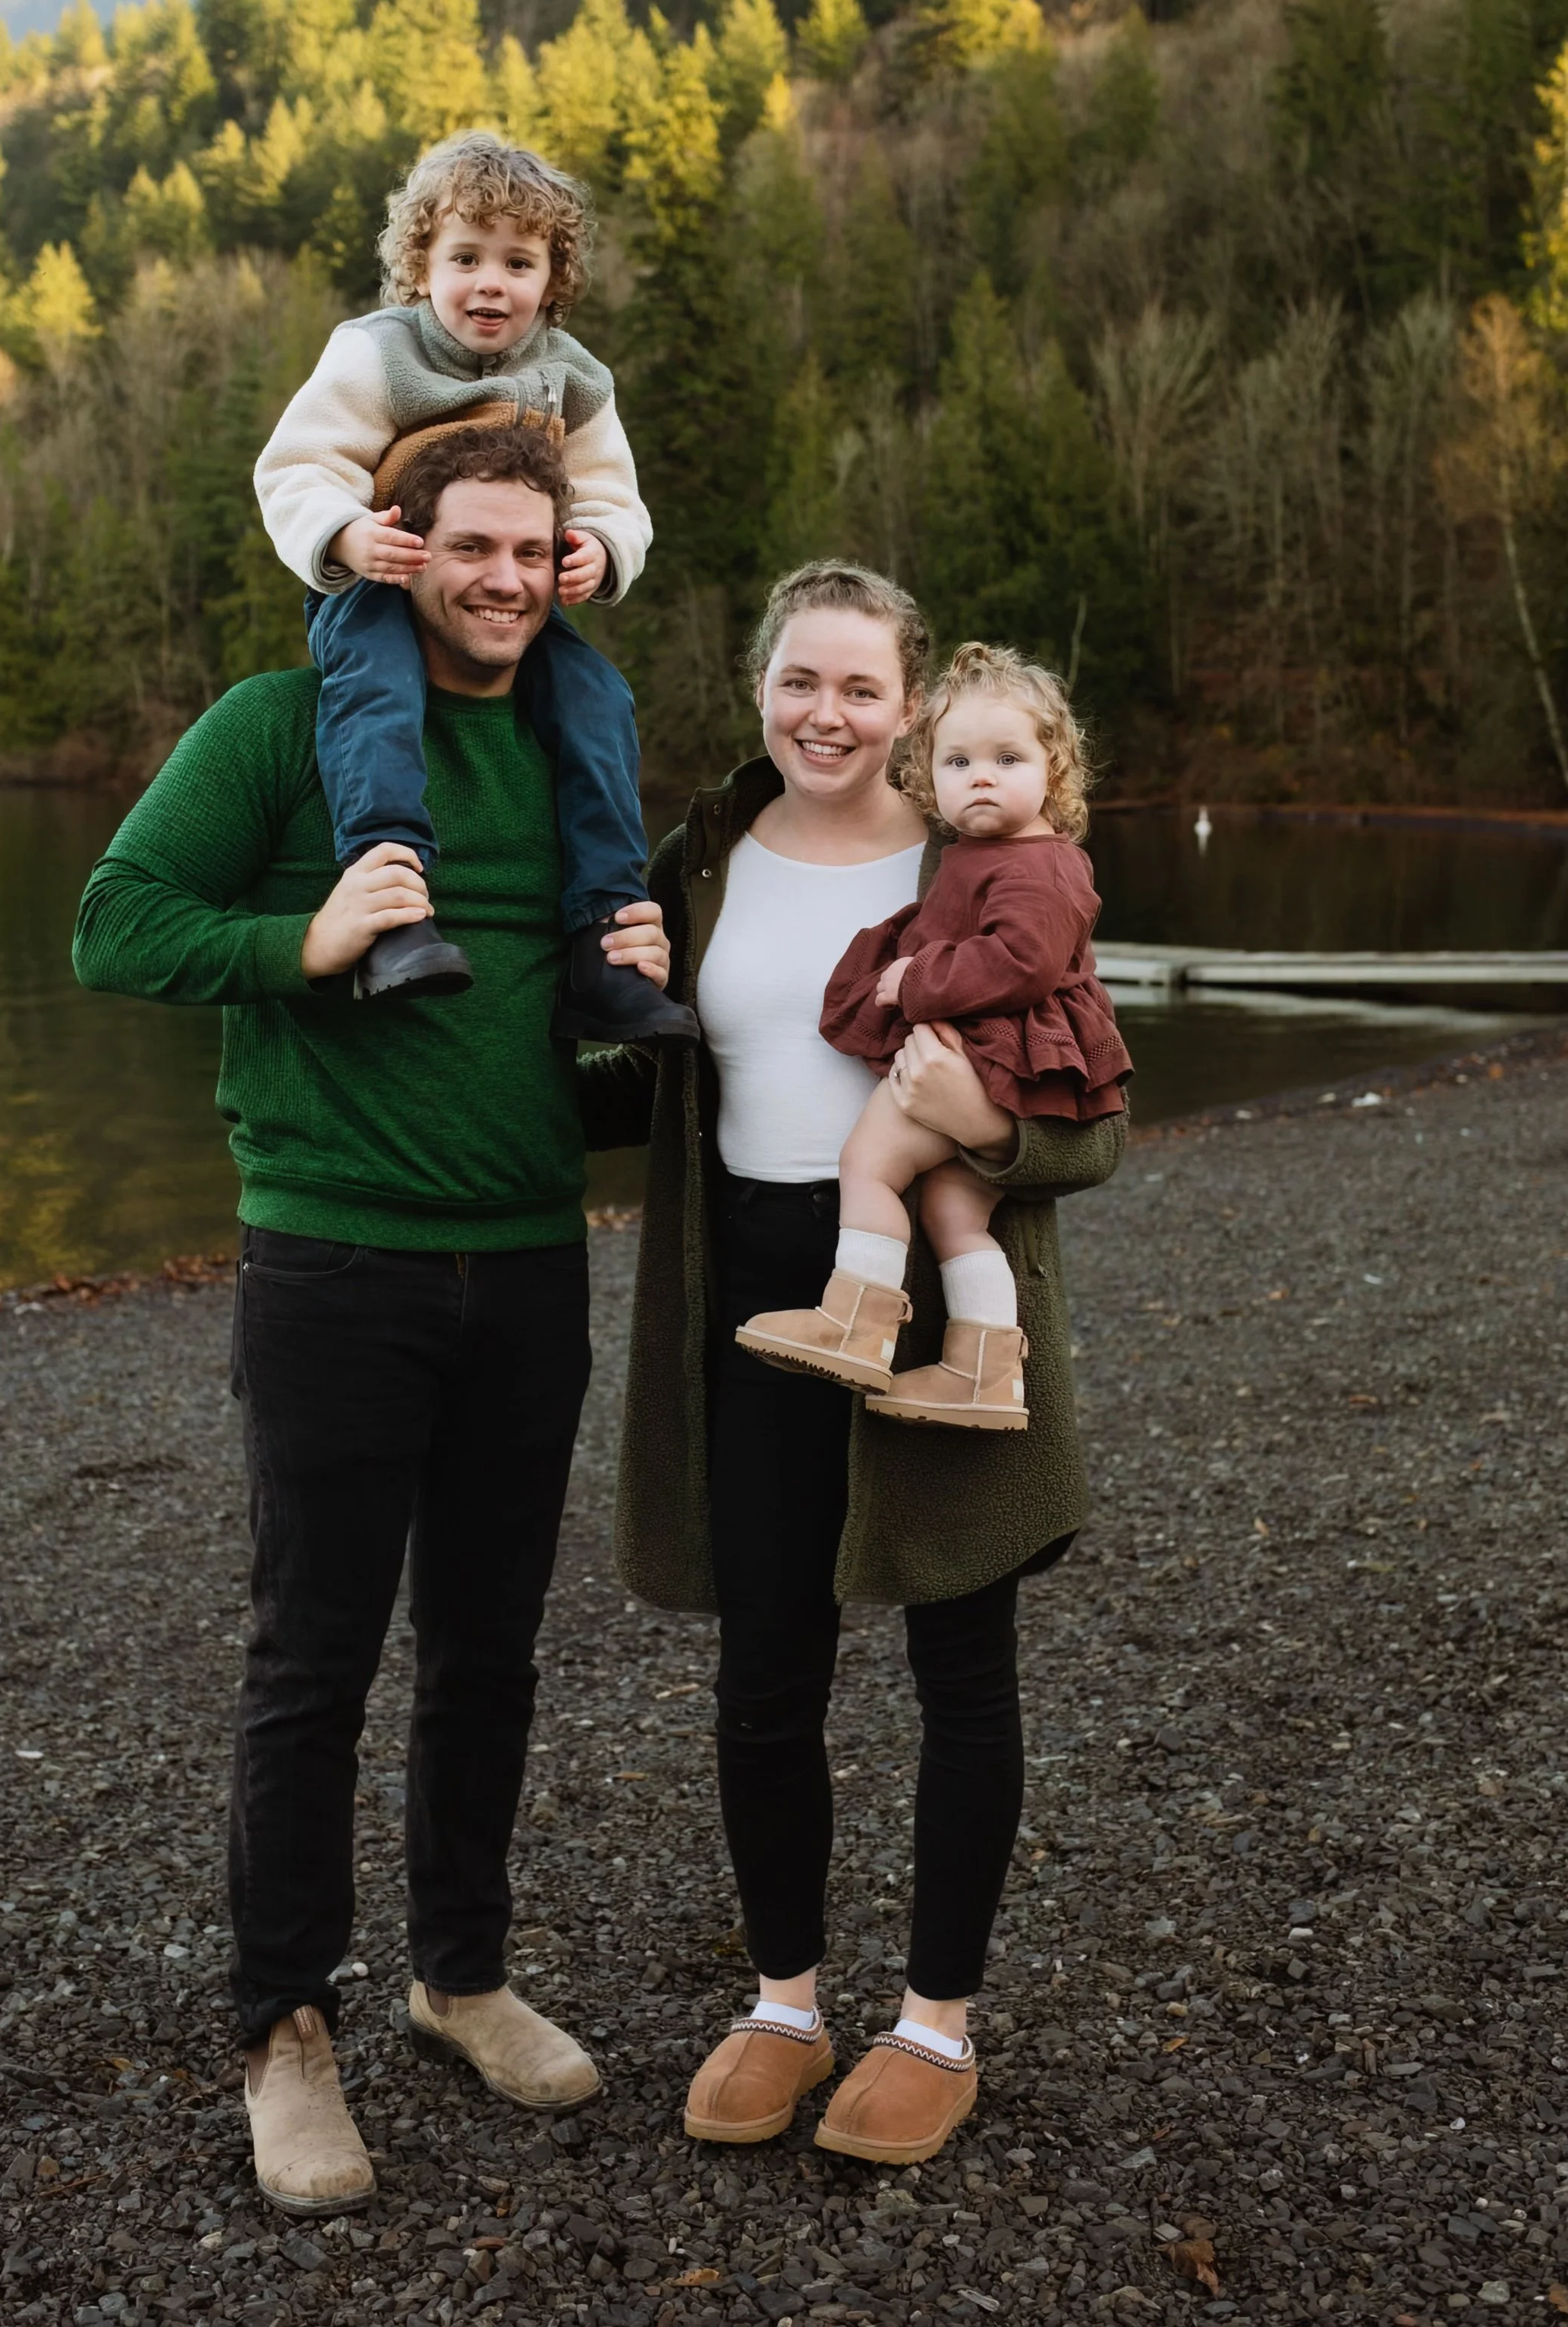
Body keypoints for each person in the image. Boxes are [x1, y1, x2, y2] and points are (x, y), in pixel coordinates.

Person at [73, 422, 675, 2218]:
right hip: (334, 1260)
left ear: (563, 559)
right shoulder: (282, 725)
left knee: (489, 1643)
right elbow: (116, 923)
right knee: (312, 1654)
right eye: (464, 544)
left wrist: (651, 998)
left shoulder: (578, 741)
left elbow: (561, 1042)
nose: (498, 576)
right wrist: (306, 943)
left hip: (531, 1255)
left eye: (528, 548)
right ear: (397, 546)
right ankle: (284, 2024)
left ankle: (460, 1969)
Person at [579, 562, 1126, 2168]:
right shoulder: (694, 860)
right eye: (796, 683)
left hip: (940, 1291)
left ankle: (934, 2024)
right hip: (753, 1294)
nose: (825, 715)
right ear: (759, 686)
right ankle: (783, 2005)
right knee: (765, 1670)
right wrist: (500, 1063)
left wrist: (992, 1129)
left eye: (859, 690)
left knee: (959, 1672)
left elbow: (1088, 1125)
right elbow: (658, 1083)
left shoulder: (984, 853)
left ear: (907, 707)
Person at [253, 127, 694, 1046]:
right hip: (381, 584)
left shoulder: (574, 377)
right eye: (465, 257)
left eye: (517, 262)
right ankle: (393, 913)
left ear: (552, 278)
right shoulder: (376, 352)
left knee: (597, 700)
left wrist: (603, 549)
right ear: (421, 266)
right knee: (377, 695)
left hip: (506, 607)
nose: (490, 283)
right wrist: (344, 533)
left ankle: (602, 947)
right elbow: (296, 466)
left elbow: (617, 496)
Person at [738, 639, 1130, 1428]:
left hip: (980, 1056)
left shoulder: (1037, 864)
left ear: (1056, 770)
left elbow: (1023, 961)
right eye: (957, 764)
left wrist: (917, 980)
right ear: (927, 775)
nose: (979, 776)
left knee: (869, 1164)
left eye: (1007, 758)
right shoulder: (989, 854)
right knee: (955, 1211)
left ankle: (856, 1321)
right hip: (997, 1055)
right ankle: (983, 1367)